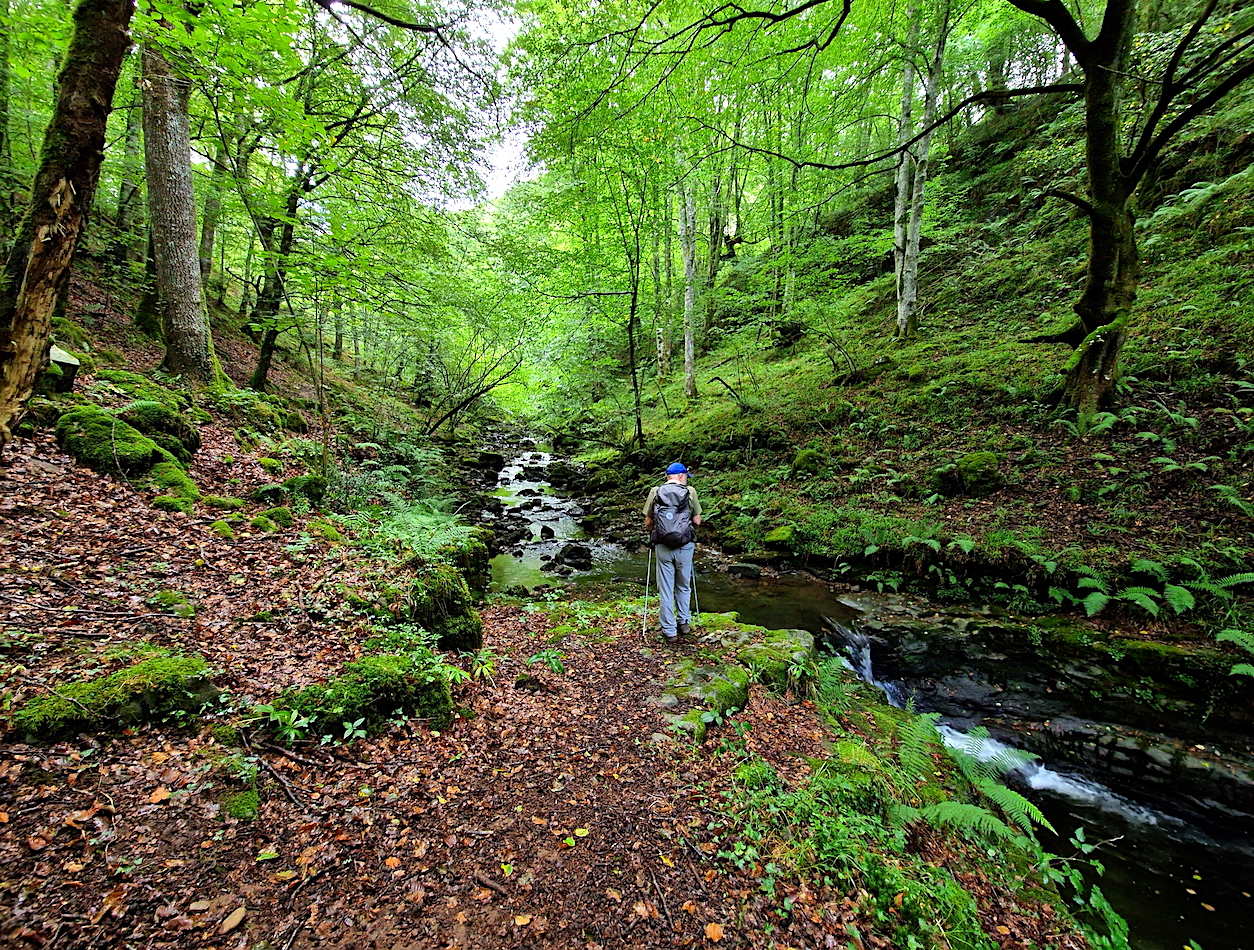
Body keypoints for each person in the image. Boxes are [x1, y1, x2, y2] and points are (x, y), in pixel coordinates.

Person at [643, 462, 703, 644]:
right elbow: (697, 521)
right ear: (681, 476)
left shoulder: (655, 491)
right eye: (686, 476)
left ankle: (669, 631)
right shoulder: (690, 492)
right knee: (683, 585)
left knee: (666, 589)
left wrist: (659, 532)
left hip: (663, 546)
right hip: (685, 545)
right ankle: (683, 623)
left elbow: (648, 522)